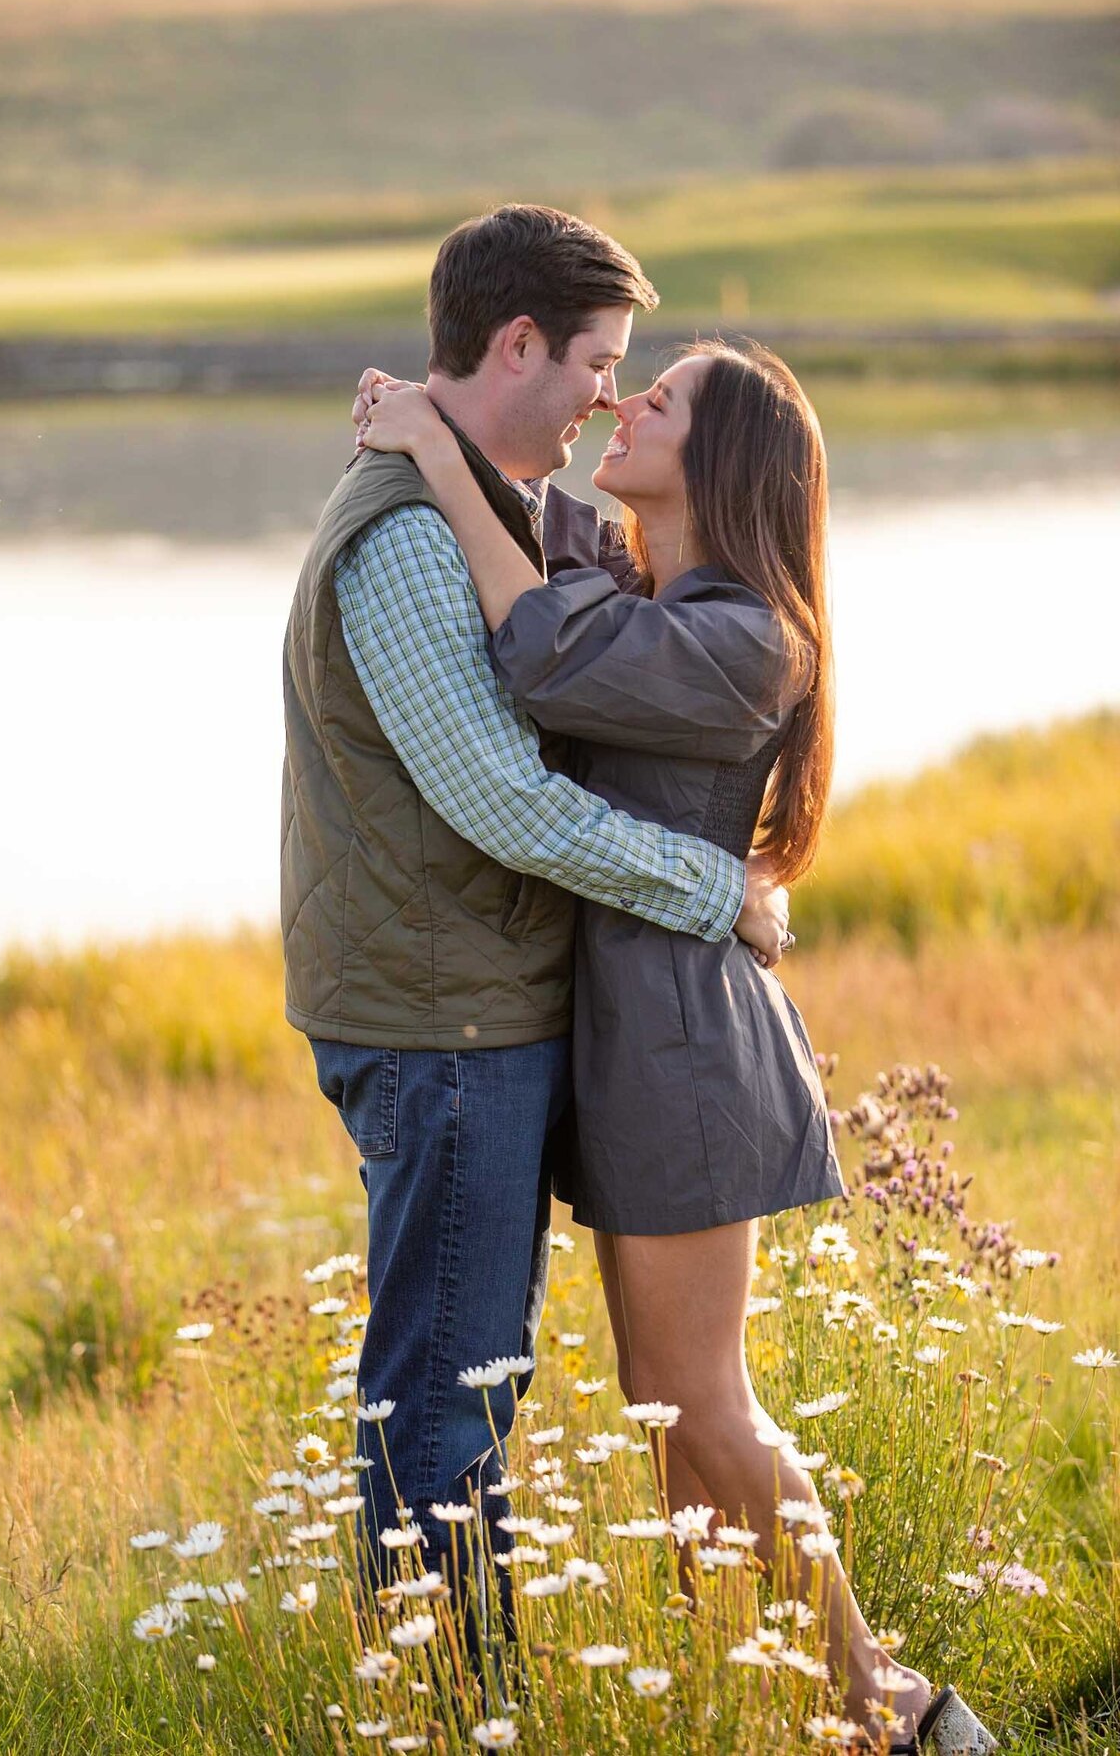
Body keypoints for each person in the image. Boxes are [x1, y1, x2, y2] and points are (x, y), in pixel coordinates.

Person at [357, 341, 999, 1756]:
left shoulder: (746, 636)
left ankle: (897, 1708)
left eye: (663, 398)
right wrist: (440, 428)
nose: (629, 400)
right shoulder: (661, 588)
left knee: (707, 1410)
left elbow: (542, 647)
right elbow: (549, 545)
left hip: (689, 1055)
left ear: (727, 464)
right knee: (668, 1426)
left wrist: (433, 456)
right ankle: (798, 1712)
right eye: (625, 381)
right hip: (636, 1047)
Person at [279, 206, 791, 1638]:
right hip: (443, 1024)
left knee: (475, 1390)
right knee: (447, 1403)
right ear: (518, 345)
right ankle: (449, 1707)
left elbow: (578, 628)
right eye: (601, 364)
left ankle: (478, 1693)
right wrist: (718, 893)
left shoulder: (475, 511)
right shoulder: (405, 542)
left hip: (474, 1012)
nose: (609, 399)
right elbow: (503, 804)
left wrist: (426, 432)